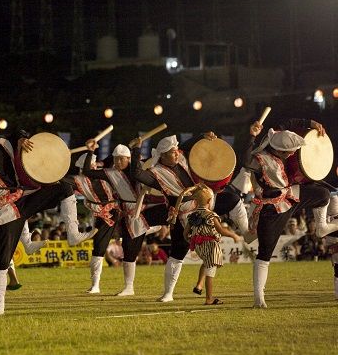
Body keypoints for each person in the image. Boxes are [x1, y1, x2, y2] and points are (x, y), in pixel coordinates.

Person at [0, 121, 96, 315]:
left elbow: (18, 132)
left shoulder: (4, 144)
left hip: (15, 201)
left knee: (64, 187)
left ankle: (72, 233)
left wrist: (23, 138)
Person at [128, 133, 243, 302]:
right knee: (177, 254)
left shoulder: (182, 157)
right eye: (173, 152)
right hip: (183, 215)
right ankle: (168, 294)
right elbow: (137, 173)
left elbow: (189, 145)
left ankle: (246, 230)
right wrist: (137, 149)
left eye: (176, 150)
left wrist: (203, 136)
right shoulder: (155, 173)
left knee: (233, 199)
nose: (177, 153)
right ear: (163, 155)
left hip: (205, 204)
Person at [244, 118, 337, 308]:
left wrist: (311, 123)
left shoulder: (276, 137)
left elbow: (289, 121)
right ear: (280, 150)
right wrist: (251, 138)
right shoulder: (261, 158)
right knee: (265, 253)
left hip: (290, 194)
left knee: (323, 194)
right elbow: (246, 161)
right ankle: (258, 298)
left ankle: (321, 227)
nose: (294, 154)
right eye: (291, 152)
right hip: (271, 208)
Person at [77, 142, 164, 296]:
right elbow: (87, 172)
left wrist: (137, 149)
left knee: (131, 249)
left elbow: (150, 165)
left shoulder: (137, 170)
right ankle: (128, 287)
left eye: (121, 159)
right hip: (124, 214)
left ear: (128, 159)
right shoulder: (110, 173)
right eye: (116, 159)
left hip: (139, 213)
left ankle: (154, 228)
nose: (117, 162)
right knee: (127, 250)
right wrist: (90, 152)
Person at [181, 184, 241, 305]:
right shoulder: (211, 215)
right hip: (210, 244)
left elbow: (185, 233)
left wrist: (191, 240)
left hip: (198, 246)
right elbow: (221, 230)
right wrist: (234, 235)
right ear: (209, 201)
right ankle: (209, 298)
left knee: (207, 264)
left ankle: (199, 285)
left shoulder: (192, 216)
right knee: (210, 270)